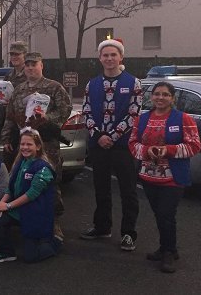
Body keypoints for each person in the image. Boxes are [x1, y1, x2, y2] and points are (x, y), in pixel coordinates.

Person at [128, 82, 200, 273]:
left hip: (173, 178)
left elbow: (194, 146)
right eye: (157, 94)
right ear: (151, 97)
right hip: (149, 177)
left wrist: (166, 150)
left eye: (165, 94)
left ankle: (168, 252)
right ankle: (167, 248)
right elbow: (132, 143)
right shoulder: (142, 119)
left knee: (166, 215)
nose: (160, 97)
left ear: (172, 98)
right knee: (160, 215)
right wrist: (146, 150)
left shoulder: (183, 118)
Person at [1, 52, 72, 240]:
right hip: (24, 145)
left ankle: (54, 222)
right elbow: (10, 116)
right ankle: (27, 219)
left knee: (51, 182)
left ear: (42, 66)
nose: (31, 68)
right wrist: (7, 138)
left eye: (35, 64)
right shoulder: (18, 90)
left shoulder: (54, 87)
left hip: (47, 144)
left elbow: (66, 109)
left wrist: (47, 119)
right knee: (23, 180)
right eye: (28, 65)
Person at [80, 39, 142, 251]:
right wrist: (98, 135)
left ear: (121, 57)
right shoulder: (92, 84)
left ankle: (128, 233)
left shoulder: (133, 83)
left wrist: (113, 137)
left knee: (128, 191)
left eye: (113, 55)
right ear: (100, 58)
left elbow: (134, 114)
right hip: (98, 145)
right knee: (101, 188)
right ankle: (102, 226)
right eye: (105, 55)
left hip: (122, 146)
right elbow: (86, 111)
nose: (109, 58)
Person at [0, 128, 61, 263]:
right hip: (19, 209)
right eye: (22, 144)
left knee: (31, 258)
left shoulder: (43, 167)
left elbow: (31, 194)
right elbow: (10, 189)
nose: (25, 147)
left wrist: (7, 206)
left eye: (29, 144)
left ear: (38, 146)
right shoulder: (20, 163)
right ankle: (6, 252)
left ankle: (54, 242)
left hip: (35, 214)